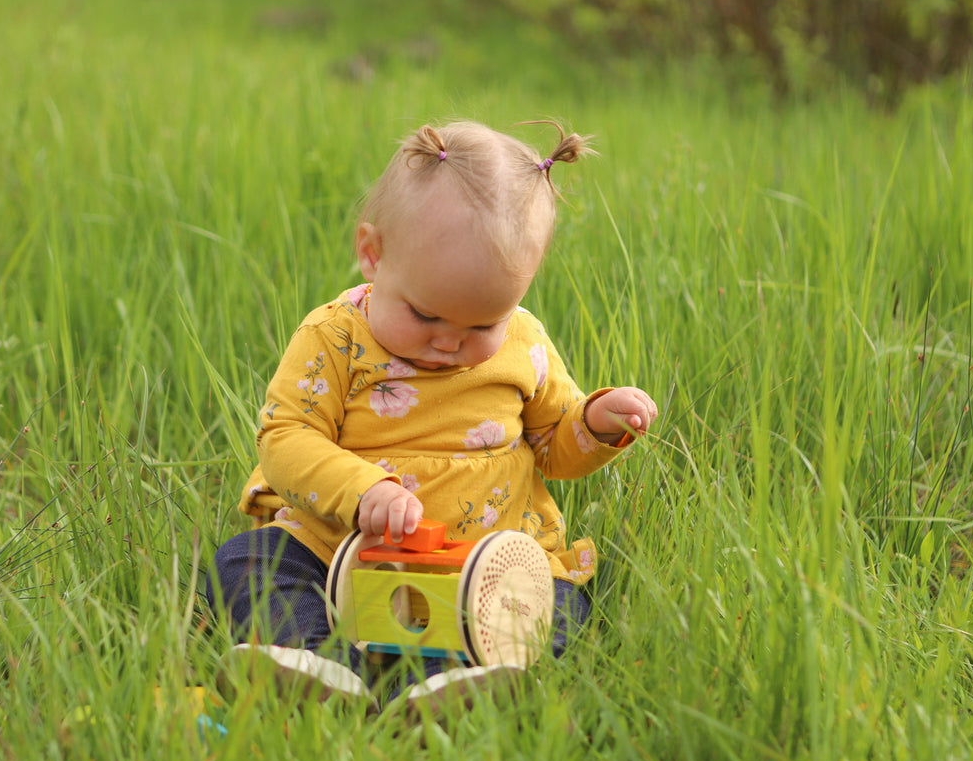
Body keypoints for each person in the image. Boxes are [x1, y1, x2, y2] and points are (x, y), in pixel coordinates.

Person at [207, 119, 659, 715]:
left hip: (486, 565)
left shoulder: (524, 343)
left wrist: (595, 423)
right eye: (425, 316)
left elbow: (552, 444)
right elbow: (286, 437)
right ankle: (317, 664)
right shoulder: (336, 337)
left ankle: (441, 689)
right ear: (372, 253)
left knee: (554, 604)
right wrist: (362, 488)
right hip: (338, 547)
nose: (449, 343)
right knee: (248, 563)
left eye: (481, 325)